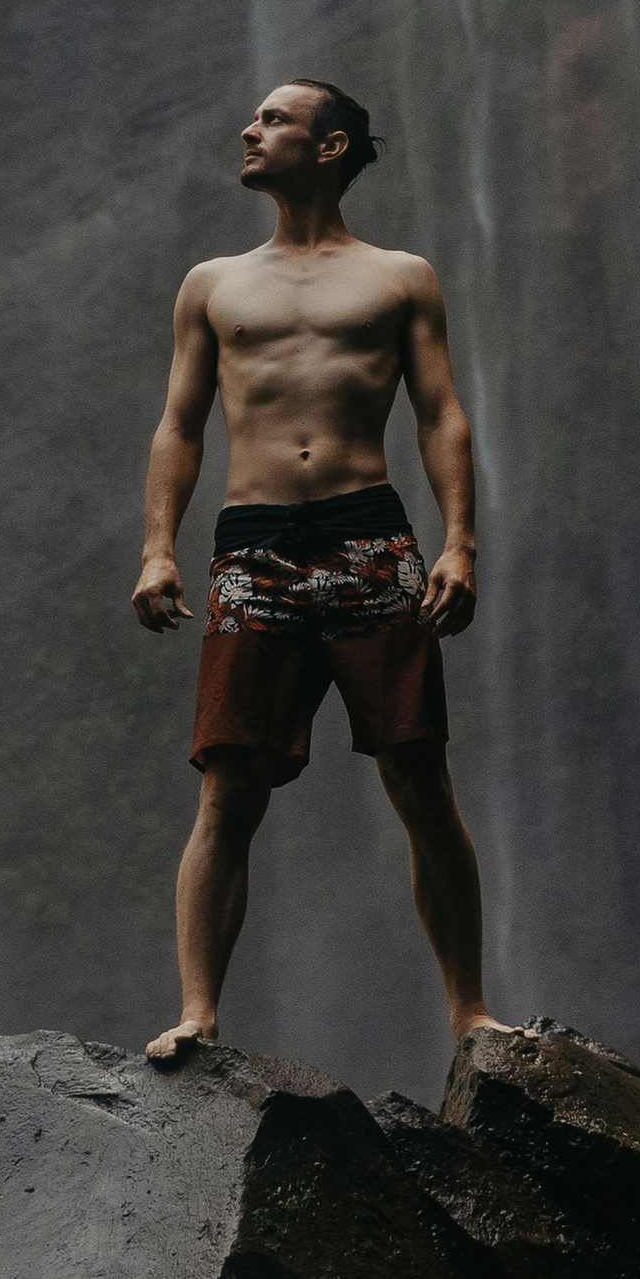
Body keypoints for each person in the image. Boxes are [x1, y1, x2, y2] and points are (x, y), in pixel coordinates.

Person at [131, 78, 500, 1064]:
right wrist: (157, 546)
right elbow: (179, 424)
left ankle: (468, 1013)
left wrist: (460, 542)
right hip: (251, 549)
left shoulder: (400, 277)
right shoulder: (211, 284)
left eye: (273, 121)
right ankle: (199, 1011)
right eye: (250, 118)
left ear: (330, 146)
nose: (248, 131)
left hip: (369, 540)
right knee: (226, 790)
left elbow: (441, 416)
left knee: (421, 782)